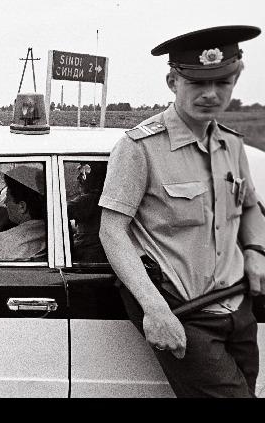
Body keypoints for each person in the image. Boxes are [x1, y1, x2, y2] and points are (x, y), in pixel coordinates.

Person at [98, 25, 265, 397]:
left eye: (222, 82)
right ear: (173, 81)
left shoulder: (230, 144)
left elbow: (251, 209)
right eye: (197, 83)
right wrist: (155, 310)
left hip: (240, 313)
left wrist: (255, 251)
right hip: (188, 315)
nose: (211, 94)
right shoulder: (139, 148)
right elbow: (111, 231)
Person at [0, 165, 47, 261]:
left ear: (22, 207)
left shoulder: (3, 245)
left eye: (7, 197)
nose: (5, 202)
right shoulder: (54, 233)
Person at [67, 162, 108, 263]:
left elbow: (60, 212)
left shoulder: (89, 199)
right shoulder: (102, 199)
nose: (79, 179)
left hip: (88, 253)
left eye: (83, 175)